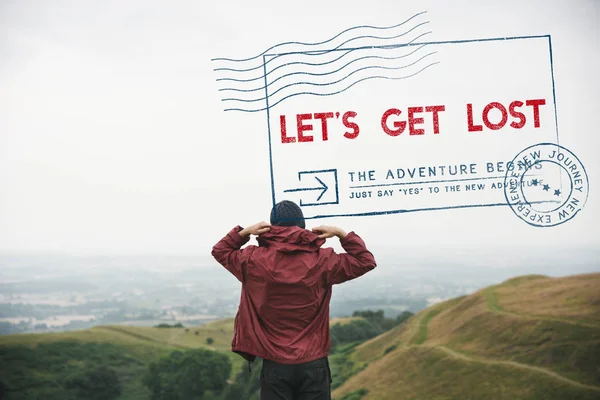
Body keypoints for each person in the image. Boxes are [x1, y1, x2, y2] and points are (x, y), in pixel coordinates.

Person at [211, 200, 377, 400]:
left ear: (270, 227)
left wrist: (245, 233)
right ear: (303, 225)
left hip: (275, 364)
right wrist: (341, 233)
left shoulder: (252, 259)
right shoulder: (323, 260)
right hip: (314, 363)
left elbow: (220, 251)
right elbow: (365, 261)